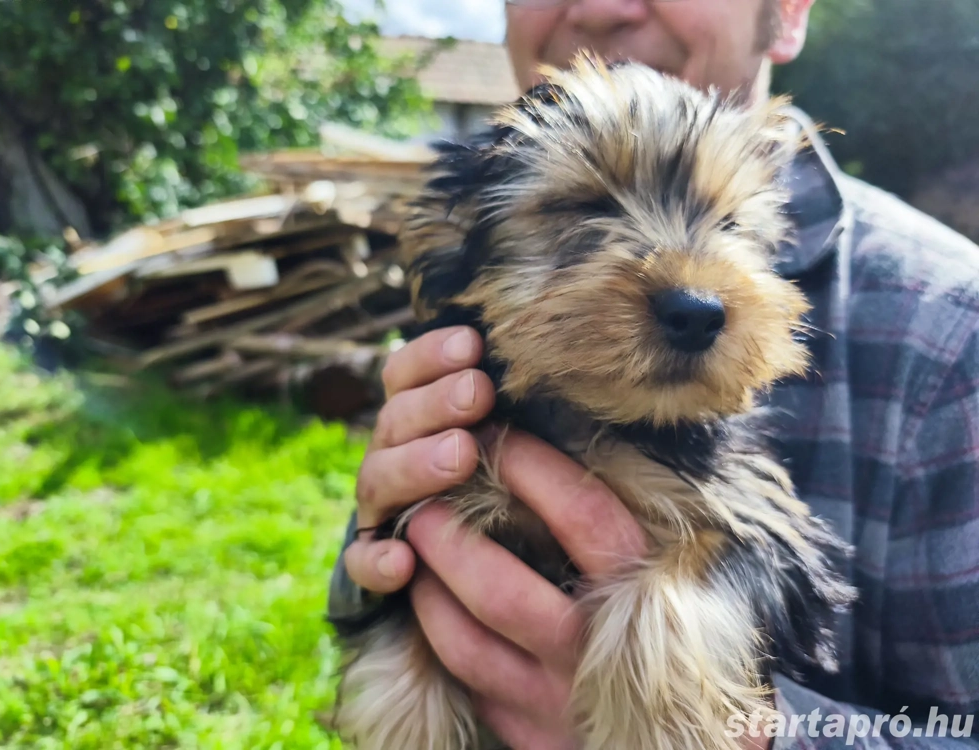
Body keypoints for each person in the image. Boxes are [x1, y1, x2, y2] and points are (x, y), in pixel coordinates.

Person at [329, 1, 979, 747]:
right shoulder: (456, 374)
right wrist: (378, 565)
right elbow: (371, 624)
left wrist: (751, 732)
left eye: (728, 223)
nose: (605, 6)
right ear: (454, 251)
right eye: (579, 210)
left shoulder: (958, 340)